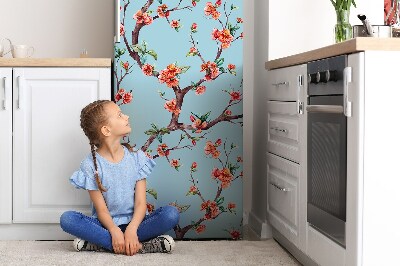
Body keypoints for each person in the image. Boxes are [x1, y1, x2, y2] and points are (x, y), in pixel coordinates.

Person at [60, 100, 180, 256]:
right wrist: (114, 230)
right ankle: (142, 246)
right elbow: (102, 210)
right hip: (106, 225)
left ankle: (104, 244)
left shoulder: (137, 158)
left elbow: (140, 203)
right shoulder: (90, 165)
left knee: (171, 214)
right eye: (120, 114)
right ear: (106, 130)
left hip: (137, 223)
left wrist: (132, 229)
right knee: (67, 219)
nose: (126, 116)